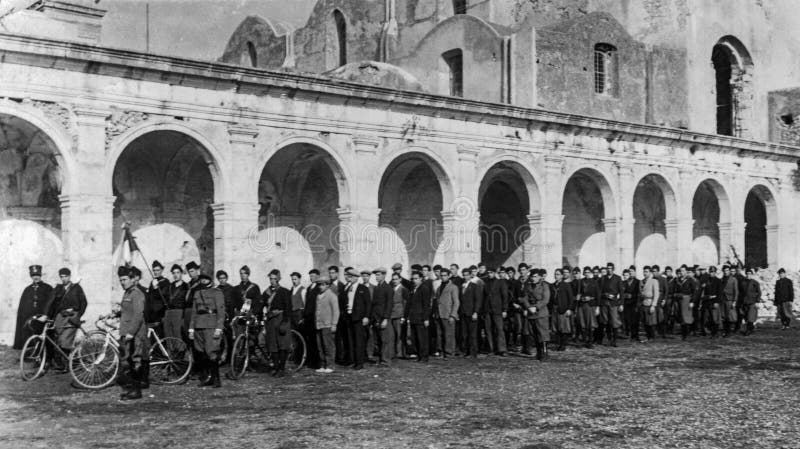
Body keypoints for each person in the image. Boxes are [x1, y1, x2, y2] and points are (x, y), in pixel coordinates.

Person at [44, 267, 87, 368]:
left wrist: (78, 315)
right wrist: (45, 314)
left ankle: (68, 362)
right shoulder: (58, 288)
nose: (63, 279)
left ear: (70, 276)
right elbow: (49, 302)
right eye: (61, 277)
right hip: (60, 316)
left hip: (72, 317)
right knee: (58, 340)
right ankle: (64, 362)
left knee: (64, 340)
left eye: (65, 276)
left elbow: (84, 303)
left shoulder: (76, 288)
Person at [116, 266, 148, 401]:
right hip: (126, 333)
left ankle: (137, 391)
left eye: (124, 279)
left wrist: (131, 332)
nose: (122, 282)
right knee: (128, 362)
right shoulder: (127, 293)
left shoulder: (137, 294)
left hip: (135, 334)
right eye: (120, 280)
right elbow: (126, 312)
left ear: (131, 279)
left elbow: (138, 315)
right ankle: (132, 389)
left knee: (136, 361)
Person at [188, 273, 225, 387]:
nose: (203, 281)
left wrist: (219, 327)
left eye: (205, 279)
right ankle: (208, 377)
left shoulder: (217, 292)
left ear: (210, 280)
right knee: (201, 352)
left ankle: (216, 379)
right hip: (199, 325)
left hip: (211, 325)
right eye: (201, 279)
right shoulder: (197, 293)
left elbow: (221, 311)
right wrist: (191, 328)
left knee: (212, 352)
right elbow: (194, 311)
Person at [14, 265, 53, 350]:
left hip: (43, 318)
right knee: (29, 336)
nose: (36, 277)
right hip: (30, 319)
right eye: (33, 275)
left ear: (41, 275)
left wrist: (46, 316)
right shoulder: (27, 290)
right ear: (31, 276)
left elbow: (52, 304)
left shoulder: (48, 288)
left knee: (43, 338)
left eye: (37, 275)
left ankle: (44, 356)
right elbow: (22, 307)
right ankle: (30, 353)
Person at [262, 269, 293, 377]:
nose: (272, 281)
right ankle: (275, 367)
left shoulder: (284, 292)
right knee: (272, 345)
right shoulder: (266, 292)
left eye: (275, 279)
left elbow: (288, 308)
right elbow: (261, 305)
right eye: (271, 279)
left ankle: (281, 368)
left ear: (278, 279)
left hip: (281, 319)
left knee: (282, 345)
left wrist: (285, 322)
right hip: (270, 320)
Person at [340, 268, 371, 370]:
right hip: (349, 318)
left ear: (357, 278)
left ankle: (359, 363)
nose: (350, 278)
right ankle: (353, 361)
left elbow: (368, 304)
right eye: (349, 276)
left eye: (352, 277)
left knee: (359, 341)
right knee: (351, 340)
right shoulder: (348, 288)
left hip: (359, 318)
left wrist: (366, 316)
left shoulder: (363, 288)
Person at [522, 269, 550, 361]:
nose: (533, 278)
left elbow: (546, 299)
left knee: (543, 334)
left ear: (539, 277)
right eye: (532, 276)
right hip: (531, 312)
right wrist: (528, 307)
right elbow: (525, 298)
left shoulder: (544, 286)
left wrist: (536, 307)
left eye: (535, 276)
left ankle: (545, 353)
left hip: (541, 312)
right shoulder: (528, 285)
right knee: (534, 334)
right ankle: (539, 353)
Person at [405, 270, 431, 362]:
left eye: (416, 278)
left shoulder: (424, 289)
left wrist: (426, 318)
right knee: (415, 338)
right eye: (413, 279)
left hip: (421, 318)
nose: (414, 280)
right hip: (413, 318)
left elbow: (426, 305)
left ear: (421, 279)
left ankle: (424, 357)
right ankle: (419, 356)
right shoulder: (413, 289)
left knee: (422, 338)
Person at [314, 278, 339, 373]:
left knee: (328, 346)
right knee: (320, 346)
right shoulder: (318, 296)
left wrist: (334, 324)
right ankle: (322, 365)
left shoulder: (332, 296)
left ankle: (330, 365)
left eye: (323, 285)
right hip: (319, 324)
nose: (320, 287)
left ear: (327, 285)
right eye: (319, 285)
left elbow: (336, 311)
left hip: (327, 325)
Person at [370, 267, 393, 366]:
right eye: (376, 275)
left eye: (378, 275)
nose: (376, 277)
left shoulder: (388, 288)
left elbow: (389, 305)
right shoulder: (376, 288)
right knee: (378, 340)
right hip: (376, 318)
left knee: (384, 340)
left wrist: (385, 319)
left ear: (384, 275)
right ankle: (380, 359)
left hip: (383, 318)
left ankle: (385, 360)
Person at [483, 267, 508, 356]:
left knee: (499, 329)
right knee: (488, 330)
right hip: (487, 310)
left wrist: (504, 309)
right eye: (488, 273)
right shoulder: (485, 283)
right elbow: (484, 296)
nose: (489, 274)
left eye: (491, 273)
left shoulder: (501, 282)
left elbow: (505, 296)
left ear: (495, 273)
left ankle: (502, 349)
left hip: (497, 309)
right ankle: (491, 349)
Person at [435, 268, 460, 359]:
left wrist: (453, 315)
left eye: (445, 275)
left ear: (449, 275)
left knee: (449, 334)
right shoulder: (439, 287)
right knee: (440, 334)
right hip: (439, 314)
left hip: (448, 314)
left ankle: (449, 353)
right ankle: (441, 351)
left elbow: (456, 302)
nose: (443, 277)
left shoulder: (453, 287)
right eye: (441, 275)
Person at [458, 268, 482, 358]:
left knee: (472, 334)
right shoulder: (462, 286)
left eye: (467, 275)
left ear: (470, 275)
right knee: (465, 334)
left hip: (471, 313)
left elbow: (478, 300)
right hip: (463, 313)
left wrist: (475, 312)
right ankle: (467, 351)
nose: (465, 277)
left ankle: (473, 352)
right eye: (464, 275)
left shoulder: (474, 286)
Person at [598, 262, 623, 347]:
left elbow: (621, 293)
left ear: (613, 269)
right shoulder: (603, 278)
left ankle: (615, 340)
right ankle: (609, 339)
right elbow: (599, 291)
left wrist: (621, 304)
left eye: (610, 269)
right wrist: (603, 297)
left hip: (614, 303)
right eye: (607, 269)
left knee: (614, 322)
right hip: (604, 303)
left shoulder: (618, 278)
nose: (609, 270)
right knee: (606, 321)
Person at [552, 268, 576, 351]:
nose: (556, 276)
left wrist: (569, 309)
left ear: (562, 276)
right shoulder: (553, 285)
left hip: (563, 309)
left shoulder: (566, 285)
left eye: (558, 274)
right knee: (556, 327)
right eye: (555, 274)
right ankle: (558, 343)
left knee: (564, 328)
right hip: (555, 308)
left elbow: (571, 298)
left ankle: (563, 345)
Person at [302, 269, 322, 369]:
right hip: (308, 318)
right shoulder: (309, 288)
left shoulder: (319, 288)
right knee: (309, 340)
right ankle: (310, 360)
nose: (311, 278)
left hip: (314, 318)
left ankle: (316, 362)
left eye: (313, 276)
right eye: (310, 276)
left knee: (315, 340)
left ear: (318, 276)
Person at [576, 266, 599, 349]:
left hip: (590, 305)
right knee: (582, 323)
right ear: (583, 273)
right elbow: (578, 293)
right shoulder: (580, 282)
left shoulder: (594, 282)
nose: (587, 274)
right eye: (585, 272)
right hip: (582, 305)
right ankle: (585, 341)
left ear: (591, 273)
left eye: (588, 272)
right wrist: (579, 297)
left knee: (590, 323)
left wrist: (597, 307)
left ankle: (590, 341)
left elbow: (597, 295)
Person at [164, 264, 188, 341]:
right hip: (169, 311)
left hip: (179, 311)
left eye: (178, 272)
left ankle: (180, 351)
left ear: (181, 273)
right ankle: (170, 352)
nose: (176, 275)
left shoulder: (186, 286)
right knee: (168, 333)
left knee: (177, 333)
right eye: (174, 273)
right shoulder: (170, 286)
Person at [671, 266, 696, 341]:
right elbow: (674, 289)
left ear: (686, 271)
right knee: (681, 317)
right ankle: (683, 334)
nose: (681, 272)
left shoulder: (690, 280)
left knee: (686, 317)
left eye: (683, 271)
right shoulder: (677, 280)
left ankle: (687, 334)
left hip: (687, 300)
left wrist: (692, 301)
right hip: (679, 300)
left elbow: (694, 292)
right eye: (681, 271)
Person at [390, 272, 409, 359]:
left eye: (396, 279)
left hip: (399, 315)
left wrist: (403, 317)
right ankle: (394, 352)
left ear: (400, 279)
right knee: (393, 335)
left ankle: (400, 353)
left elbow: (405, 304)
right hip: (392, 315)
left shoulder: (403, 289)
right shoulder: (392, 289)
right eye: (393, 279)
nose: (394, 281)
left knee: (399, 335)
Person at [639, 266, 659, 341]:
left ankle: (652, 337)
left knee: (651, 321)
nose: (645, 273)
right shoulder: (641, 281)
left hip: (650, 303)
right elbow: (640, 293)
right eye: (644, 271)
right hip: (643, 303)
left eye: (646, 272)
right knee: (645, 321)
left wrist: (653, 305)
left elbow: (656, 294)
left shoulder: (654, 281)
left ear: (650, 272)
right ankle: (647, 336)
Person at [621, 269, 640, 342]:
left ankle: (636, 335)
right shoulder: (625, 282)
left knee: (635, 320)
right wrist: (625, 295)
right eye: (630, 272)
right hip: (626, 303)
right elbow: (622, 292)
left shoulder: (638, 282)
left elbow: (639, 293)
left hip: (634, 303)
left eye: (632, 272)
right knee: (627, 319)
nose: (631, 273)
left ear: (635, 273)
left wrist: (632, 296)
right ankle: (629, 334)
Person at [720, 265, 739, 337]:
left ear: (729, 271)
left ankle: (729, 331)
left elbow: (736, 291)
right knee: (723, 316)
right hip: (722, 300)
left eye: (727, 270)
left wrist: (734, 301)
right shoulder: (721, 279)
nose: (725, 272)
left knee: (729, 316)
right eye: (724, 271)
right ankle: (725, 330)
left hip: (729, 300)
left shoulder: (733, 280)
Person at [741, 268, 761, 336]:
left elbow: (759, 292)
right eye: (747, 274)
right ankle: (751, 328)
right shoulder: (743, 282)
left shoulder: (755, 283)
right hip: (745, 302)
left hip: (752, 302)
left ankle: (748, 330)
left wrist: (757, 301)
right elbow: (741, 292)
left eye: (750, 274)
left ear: (752, 274)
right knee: (746, 316)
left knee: (751, 316)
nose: (748, 275)